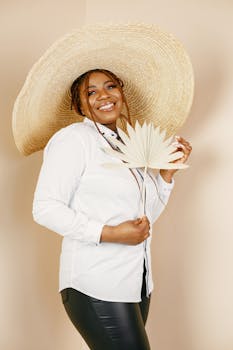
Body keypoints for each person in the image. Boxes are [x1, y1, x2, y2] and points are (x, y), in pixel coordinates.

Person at [12, 24, 194, 350]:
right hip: (96, 284)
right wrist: (110, 234)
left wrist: (166, 176)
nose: (104, 96)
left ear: (122, 94)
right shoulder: (74, 140)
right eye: (91, 92)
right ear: (80, 106)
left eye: (110, 86)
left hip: (134, 283)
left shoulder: (126, 144)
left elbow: (143, 218)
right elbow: (45, 208)